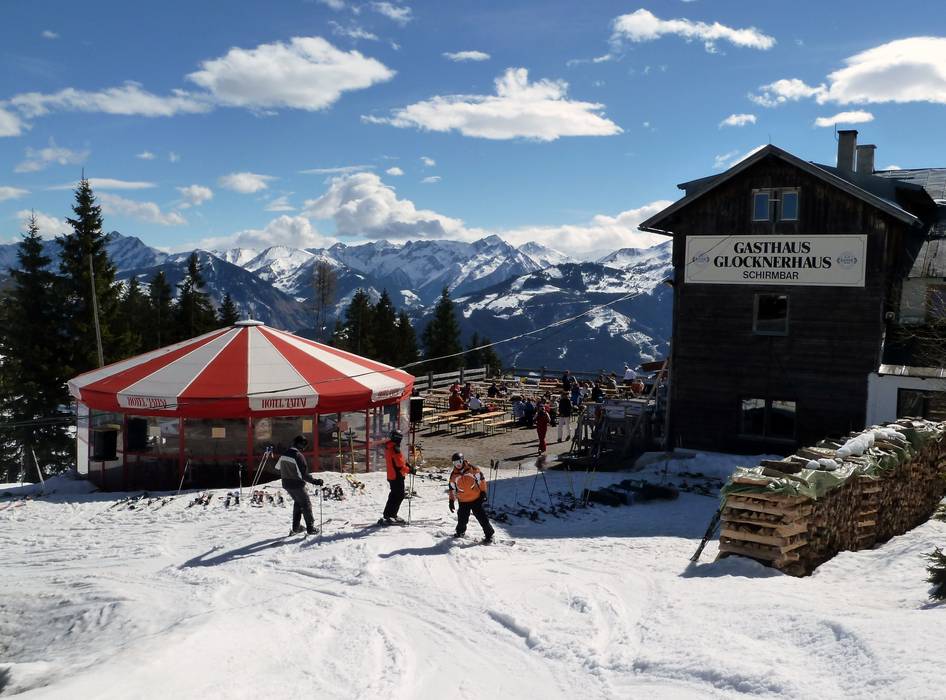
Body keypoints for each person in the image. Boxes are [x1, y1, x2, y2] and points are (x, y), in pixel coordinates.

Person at [278, 435, 324, 535]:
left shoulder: (284, 454)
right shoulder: (298, 456)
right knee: (306, 504)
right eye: (305, 446)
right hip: (296, 484)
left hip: (286, 483)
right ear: (301, 445)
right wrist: (315, 481)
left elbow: (278, 467)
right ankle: (310, 528)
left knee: (298, 503)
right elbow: (304, 475)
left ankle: (296, 528)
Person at [448, 452, 495, 543]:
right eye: (455, 463)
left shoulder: (472, 469)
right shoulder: (454, 475)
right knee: (462, 519)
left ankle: (489, 535)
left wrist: (483, 492)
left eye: (459, 462)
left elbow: (481, 480)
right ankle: (460, 532)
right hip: (463, 501)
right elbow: (452, 489)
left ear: (462, 460)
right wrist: (451, 501)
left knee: (482, 518)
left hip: (476, 498)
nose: (457, 464)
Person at [380, 429, 412, 525]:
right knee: (399, 495)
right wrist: (410, 470)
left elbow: (398, 461)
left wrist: (407, 464)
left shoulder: (389, 446)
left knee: (394, 495)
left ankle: (388, 514)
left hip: (391, 475)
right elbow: (399, 466)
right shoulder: (395, 448)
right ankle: (391, 515)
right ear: (398, 438)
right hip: (397, 476)